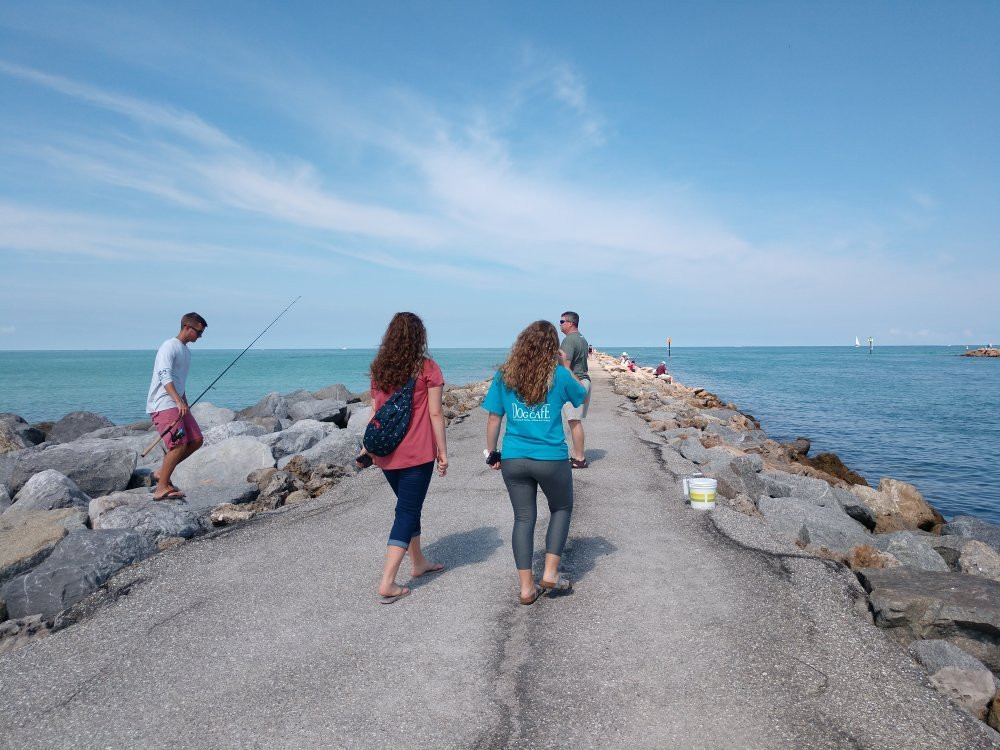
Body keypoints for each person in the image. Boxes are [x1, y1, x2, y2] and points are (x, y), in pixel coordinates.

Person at [483, 320, 587, 605]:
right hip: (550, 458)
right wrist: (565, 367)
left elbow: (494, 418)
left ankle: (527, 588)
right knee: (562, 508)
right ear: (552, 348)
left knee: (523, 518)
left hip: (515, 457)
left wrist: (492, 453)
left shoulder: (505, 376)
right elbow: (581, 395)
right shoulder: (558, 375)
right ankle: (551, 573)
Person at [356, 312, 448, 604]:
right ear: (419, 337)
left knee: (409, 506)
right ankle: (388, 582)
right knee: (407, 511)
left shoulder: (379, 369)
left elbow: (375, 413)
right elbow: (435, 413)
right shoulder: (427, 368)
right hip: (417, 453)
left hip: (385, 452)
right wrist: (442, 451)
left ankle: (418, 562)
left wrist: (367, 449)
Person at [146, 313, 207, 501]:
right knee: (178, 444)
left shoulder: (186, 351)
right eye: (199, 332)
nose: (200, 337)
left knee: (196, 439)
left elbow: (180, 382)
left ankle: (160, 472)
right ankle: (161, 488)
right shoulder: (169, 346)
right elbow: (165, 376)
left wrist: (184, 402)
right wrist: (177, 401)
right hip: (164, 404)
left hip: (178, 402)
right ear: (187, 327)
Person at [558, 311, 591, 469]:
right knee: (575, 421)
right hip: (584, 380)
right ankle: (578, 455)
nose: (560, 324)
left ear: (570, 323)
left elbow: (565, 367)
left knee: (574, 421)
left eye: (562, 321)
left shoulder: (569, 340)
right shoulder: (582, 339)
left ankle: (579, 458)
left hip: (575, 382)